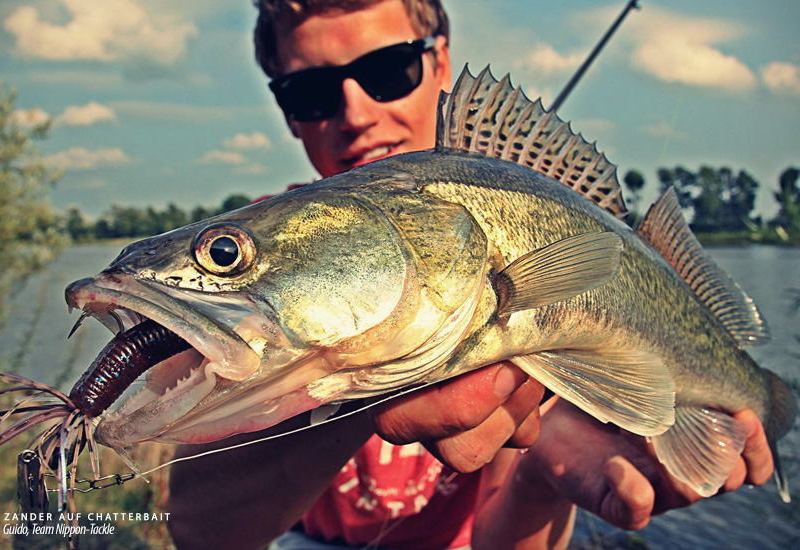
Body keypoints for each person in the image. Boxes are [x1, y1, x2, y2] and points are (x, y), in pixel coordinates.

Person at [166, 1, 775, 549]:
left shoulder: (516, 229)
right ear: (286, 111)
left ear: (440, 64)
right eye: (311, 91)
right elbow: (196, 530)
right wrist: (352, 384)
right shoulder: (258, 274)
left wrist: (541, 476)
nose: (355, 112)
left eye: (389, 71)